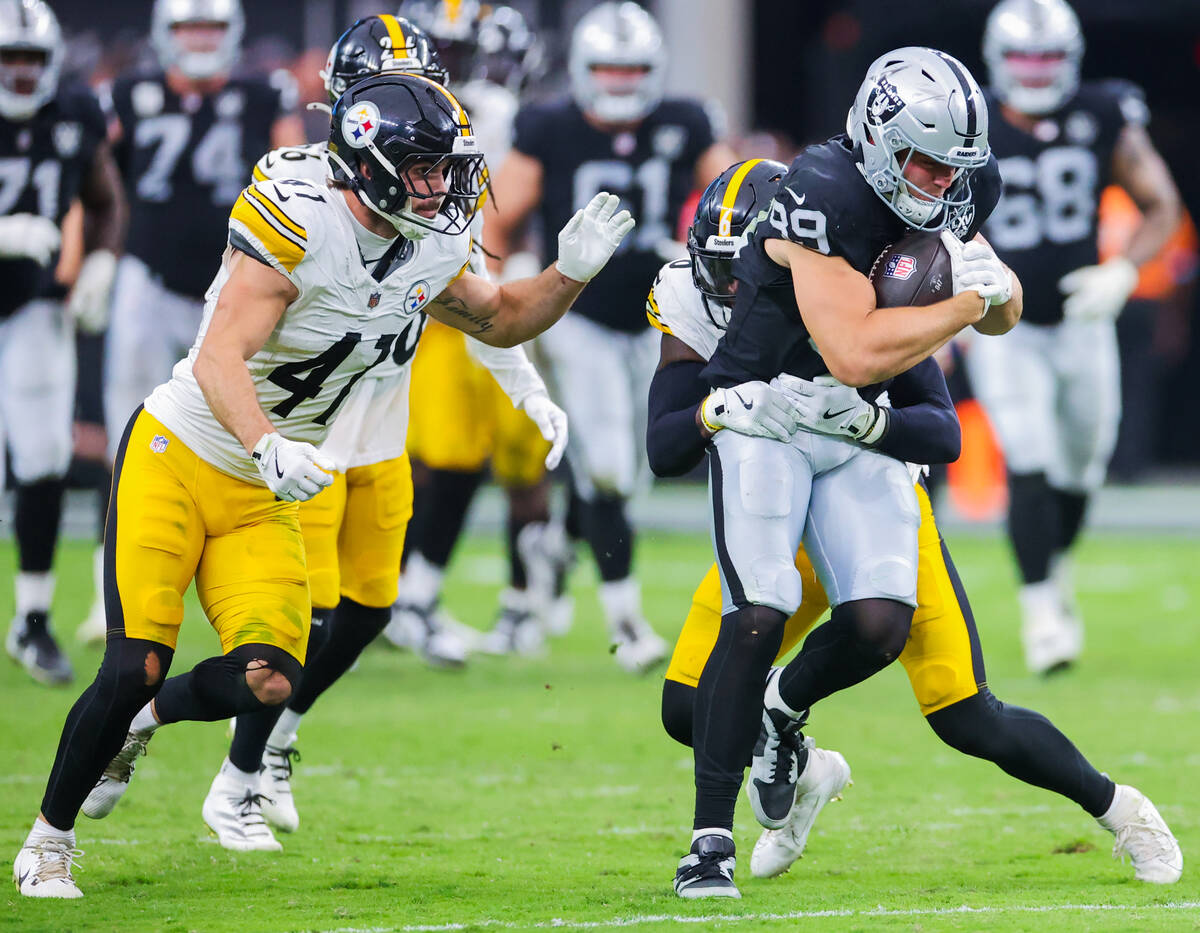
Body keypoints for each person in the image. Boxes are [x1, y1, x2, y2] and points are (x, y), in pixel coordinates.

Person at [13, 71, 634, 898]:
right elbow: (217, 357)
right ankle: (47, 841)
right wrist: (268, 444)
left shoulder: (431, 239)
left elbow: (502, 316)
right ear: (372, 162)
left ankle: (136, 729)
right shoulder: (301, 214)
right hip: (186, 450)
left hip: (268, 483)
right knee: (135, 662)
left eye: (447, 168)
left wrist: (569, 274)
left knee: (272, 673)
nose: (443, 186)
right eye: (425, 168)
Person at [649, 160, 1182, 892]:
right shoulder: (689, 296)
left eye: (754, 268)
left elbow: (939, 428)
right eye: (729, 269)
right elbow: (663, 443)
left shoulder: (846, 280)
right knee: (690, 704)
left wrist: (870, 421)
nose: (741, 288)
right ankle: (802, 768)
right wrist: (716, 412)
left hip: (863, 496)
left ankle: (1122, 809)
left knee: (967, 713)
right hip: (770, 503)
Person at [674, 47, 1024, 898]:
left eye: (955, 167)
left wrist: (998, 289)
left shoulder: (956, 184)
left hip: (855, 427)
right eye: (924, 160)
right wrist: (969, 305)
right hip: (769, 411)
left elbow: (1003, 311)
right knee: (759, 608)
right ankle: (708, 845)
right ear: (876, 135)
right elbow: (856, 348)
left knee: (879, 621)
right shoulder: (819, 192)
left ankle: (784, 718)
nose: (941, 183)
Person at [209, 13, 564, 847]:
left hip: (378, 423)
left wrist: (528, 387)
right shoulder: (297, 186)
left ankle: (278, 739)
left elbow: (474, 298)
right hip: (308, 425)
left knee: (371, 609)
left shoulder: (430, 187)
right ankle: (240, 770)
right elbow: (237, 314)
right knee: (312, 617)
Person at [484, 1, 737, 671]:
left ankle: (554, 542)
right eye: (609, 69)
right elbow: (497, 220)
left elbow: (741, 195)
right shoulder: (548, 125)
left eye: (634, 69)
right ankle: (627, 625)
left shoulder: (685, 121)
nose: (622, 82)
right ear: (583, 69)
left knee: (633, 469)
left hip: (662, 320)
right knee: (609, 467)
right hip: (580, 315)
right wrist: (492, 295)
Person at [75, 0, 306, 644]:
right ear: (164, 35)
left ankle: (273, 590)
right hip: (147, 279)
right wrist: (97, 252)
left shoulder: (264, 95)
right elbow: (88, 179)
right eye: (187, 28)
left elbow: (300, 174)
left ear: (230, 34)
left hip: (236, 293)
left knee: (253, 435)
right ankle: (111, 592)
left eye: (210, 27)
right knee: (129, 441)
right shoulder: (127, 94)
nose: (199, 40)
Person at [968, 0, 1182, 673]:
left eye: (1049, 57)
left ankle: (1050, 569)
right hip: (1005, 320)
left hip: (1083, 316)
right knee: (1027, 453)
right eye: (1026, 57)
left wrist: (1124, 268)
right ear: (1001, 60)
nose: (1037, 71)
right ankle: (1040, 612)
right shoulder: (966, 121)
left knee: (1082, 465)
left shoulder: (1103, 112)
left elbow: (1161, 204)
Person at [387, 0, 572, 662]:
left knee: (524, 456)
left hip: (499, 298)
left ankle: (523, 595)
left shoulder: (526, 120)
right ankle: (393, 598)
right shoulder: (399, 116)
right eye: (455, 56)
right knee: (429, 456)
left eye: (478, 58)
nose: (469, 74)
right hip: (426, 299)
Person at [0, 0, 124, 685]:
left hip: (32, 307)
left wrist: (102, 259)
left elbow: (105, 198)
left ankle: (33, 617)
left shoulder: (73, 113)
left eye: (31, 59)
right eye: (8, 59)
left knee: (45, 458)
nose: (20, 72)